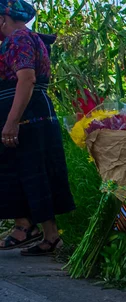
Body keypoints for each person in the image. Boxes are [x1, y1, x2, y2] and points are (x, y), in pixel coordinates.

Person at [0, 0, 74, 255]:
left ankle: (25, 227)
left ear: (2, 19)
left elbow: (27, 78)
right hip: (35, 112)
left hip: (25, 115)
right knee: (34, 170)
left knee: (25, 169)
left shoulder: (18, 39)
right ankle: (49, 236)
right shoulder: (30, 38)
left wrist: (12, 122)